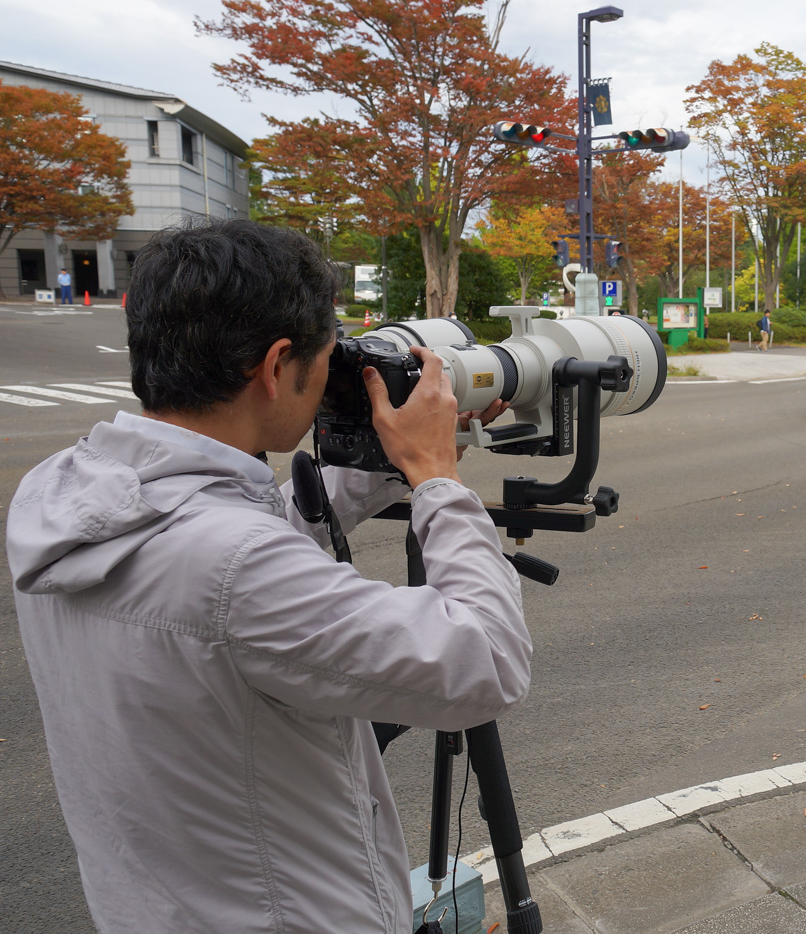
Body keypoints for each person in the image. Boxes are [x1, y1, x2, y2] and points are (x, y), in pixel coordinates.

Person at [5, 219, 528, 933]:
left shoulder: (68, 495)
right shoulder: (233, 567)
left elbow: (233, 551)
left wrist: (393, 461)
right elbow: (487, 662)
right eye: (326, 360)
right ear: (277, 365)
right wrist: (437, 479)